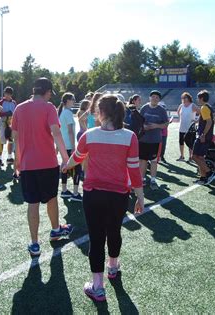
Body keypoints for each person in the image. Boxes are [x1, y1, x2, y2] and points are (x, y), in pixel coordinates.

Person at [63, 94, 144, 302]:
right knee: (114, 231)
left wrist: (66, 165)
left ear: (101, 113)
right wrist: (140, 196)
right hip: (119, 195)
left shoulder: (89, 134)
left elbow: (78, 157)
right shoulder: (130, 136)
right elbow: (134, 170)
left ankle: (98, 287)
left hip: (93, 194)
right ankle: (113, 267)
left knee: (97, 238)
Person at [11, 77, 73, 257]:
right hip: (47, 163)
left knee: (33, 203)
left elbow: (15, 137)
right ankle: (55, 230)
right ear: (47, 92)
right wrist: (65, 157)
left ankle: (35, 243)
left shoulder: (19, 108)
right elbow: (56, 133)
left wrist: (17, 161)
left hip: (27, 164)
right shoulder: (49, 107)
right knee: (51, 198)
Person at [139, 90, 169, 190]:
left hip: (155, 140)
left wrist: (157, 125)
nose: (155, 98)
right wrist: (144, 126)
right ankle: (142, 179)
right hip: (143, 139)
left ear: (159, 99)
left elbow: (166, 124)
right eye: (153, 97)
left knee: (153, 160)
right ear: (150, 98)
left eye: (157, 97)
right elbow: (139, 121)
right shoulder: (144, 108)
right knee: (143, 160)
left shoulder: (162, 110)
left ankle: (152, 180)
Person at [58, 92, 82, 202]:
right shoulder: (67, 113)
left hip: (65, 145)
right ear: (67, 100)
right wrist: (73, 147)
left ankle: (64, 191)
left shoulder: (64, 113)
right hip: (69, 145)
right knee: (77, 169)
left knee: (65, 167)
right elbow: (70, 132)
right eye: (73, 99)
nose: (74, 101)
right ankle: (75, 193)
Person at [192, 90, 215, 185]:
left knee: (194, 156)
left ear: (201, 98)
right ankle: (203, 177)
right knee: (200, 157)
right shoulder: (208, 107)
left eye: (198, 98)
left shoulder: (204, 108)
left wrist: (203, 134)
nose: (197, 100)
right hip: (206, 136)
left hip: (203, 136)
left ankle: (209, 173)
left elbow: (209, 122)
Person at [0, 86, 17, 166]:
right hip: (3, 122)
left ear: (11, 94)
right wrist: (5, 113)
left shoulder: (14, 103)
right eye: (6, 93)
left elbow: (16, 112)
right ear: (4, 93)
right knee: (2, 140)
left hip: (11, 122)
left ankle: (9, 157)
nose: (7, 95)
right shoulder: (1, 102)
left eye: (9, 94)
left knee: (11, 140)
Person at [176, 92, 198, 162]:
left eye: (185, 97)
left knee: (190, 143)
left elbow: (201, 112)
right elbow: (178, 112)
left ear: (189, 98)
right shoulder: (181, 105)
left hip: (190, 128)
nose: (184, 99)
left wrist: (196, 121)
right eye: (183, 98)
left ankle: (191, 157)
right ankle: (182, 156)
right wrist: (180, 118)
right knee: (181, 142)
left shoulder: (192, 105)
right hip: (182, 127)